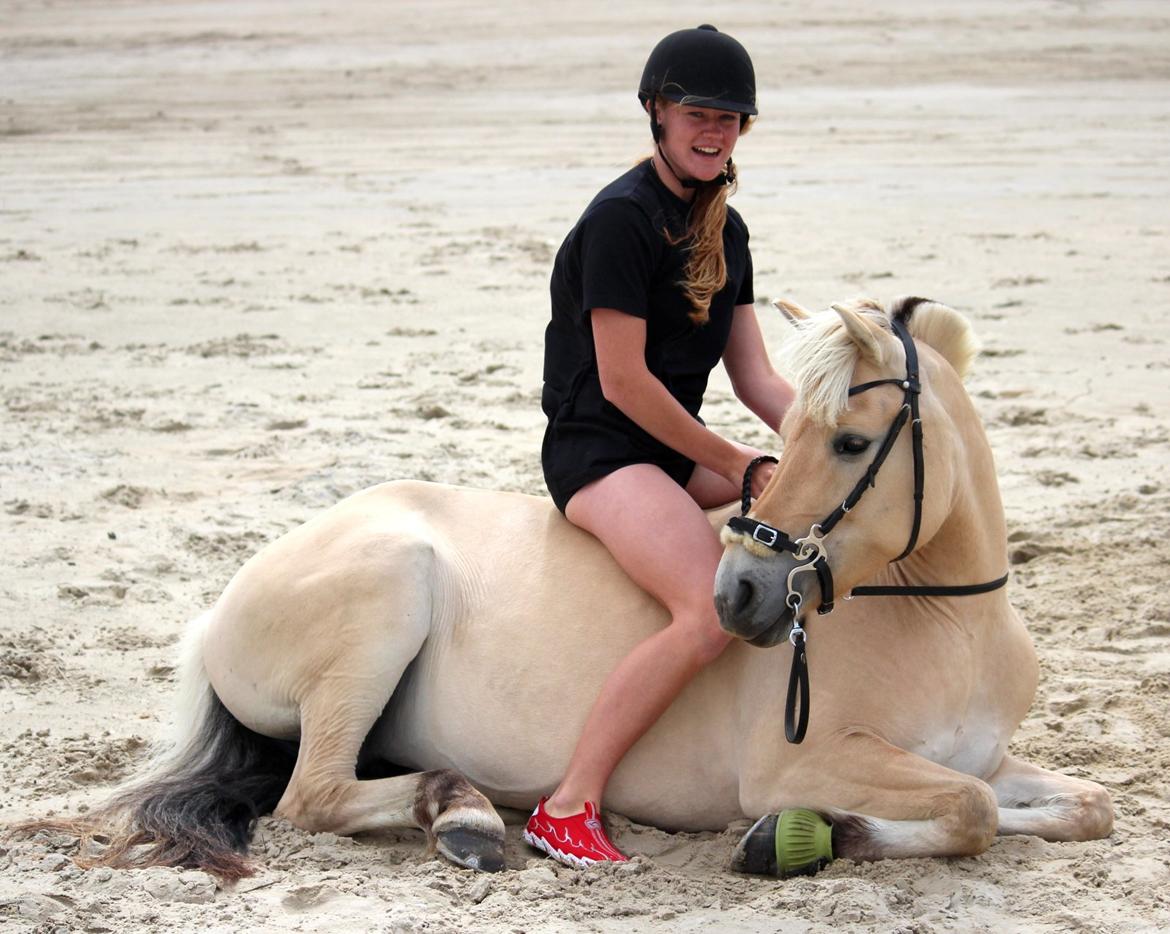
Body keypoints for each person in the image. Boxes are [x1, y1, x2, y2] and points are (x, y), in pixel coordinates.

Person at [524, 24, 794, 867]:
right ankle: (567, 806)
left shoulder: (729, 229)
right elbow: (624, 385)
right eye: (697, 113)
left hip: (668, 454)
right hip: (600, 452)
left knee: (807, 497)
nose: (714, 131)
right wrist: (739, 465)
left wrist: (823, 450)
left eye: (731, 118)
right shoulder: (620, 220)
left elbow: (758, 381)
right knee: (707, 616)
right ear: (657, 112)